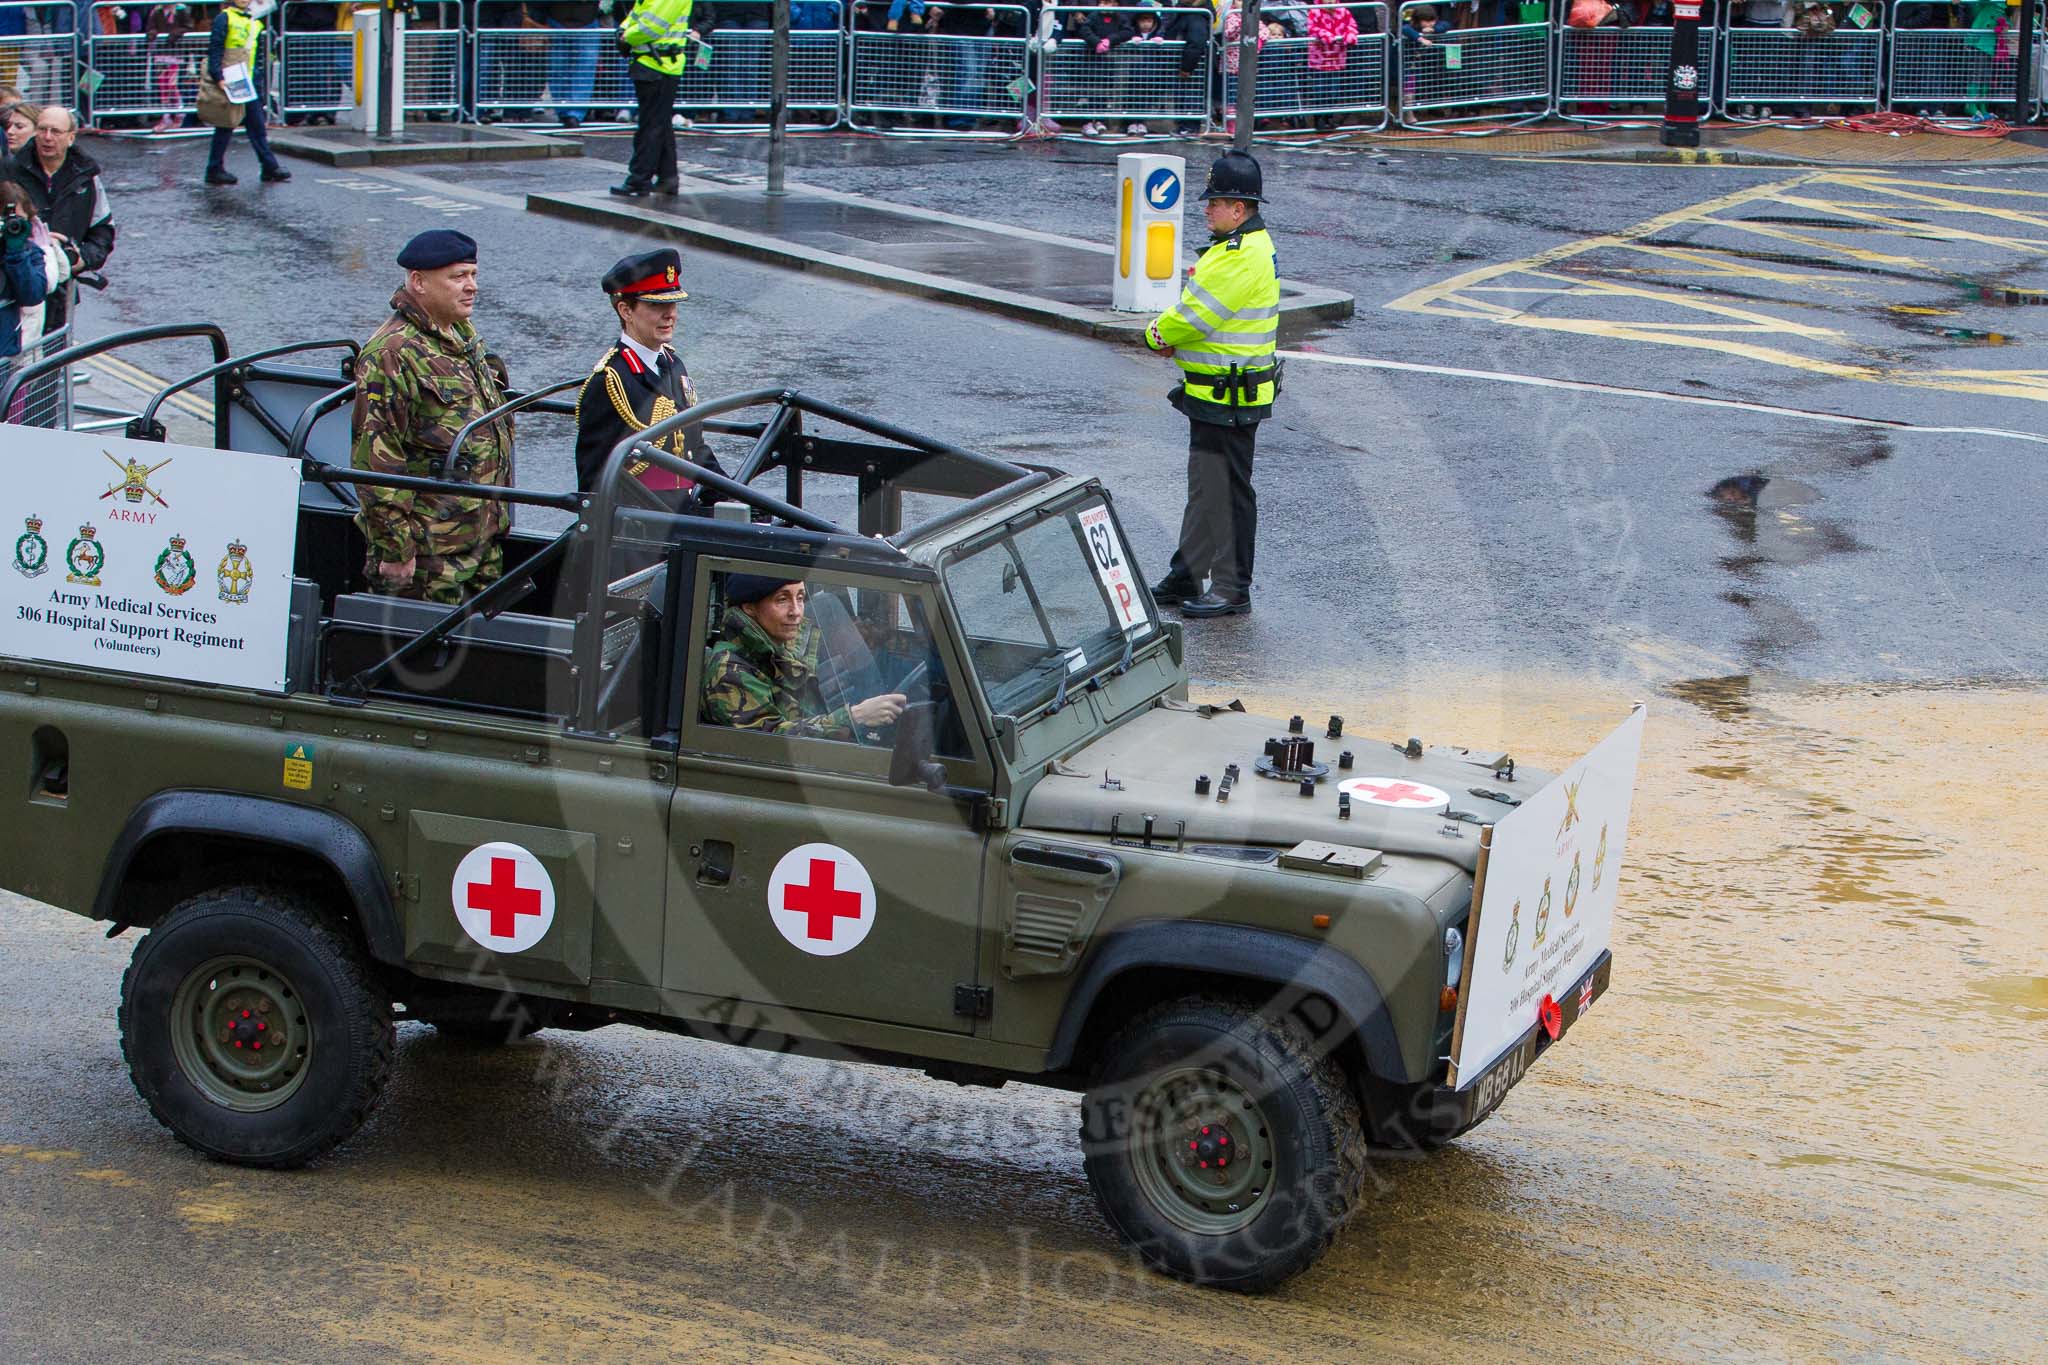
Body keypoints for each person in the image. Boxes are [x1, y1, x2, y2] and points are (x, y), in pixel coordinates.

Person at [1144, 151, 1279, 620]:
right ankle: (1188, 571)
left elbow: (1194, 317)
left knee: (1228, 492)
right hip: (1215, 393)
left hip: (1230, 396)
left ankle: (1232, 586)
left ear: (1238, 209)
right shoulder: (1237, 249)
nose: (1206, 209)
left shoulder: (1239, 257)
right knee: (1206, 487)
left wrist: (1156, 335)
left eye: (1214, 202)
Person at [351, 230, 516, 605]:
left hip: (479, 538)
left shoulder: (460, 334)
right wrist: (396, 549)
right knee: (423, 658)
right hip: (429, 554)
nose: (471, 286)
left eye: (473, 275)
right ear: (419, 282)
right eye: (458, 277)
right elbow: (377, 461)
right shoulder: (393, 352)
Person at [573, 246, 728, 504]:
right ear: (626, 311)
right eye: (656, 305)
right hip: (641, 526)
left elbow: (695, 449)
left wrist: (733, 499)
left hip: (683, 514)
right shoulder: (611, 381)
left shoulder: (672, 364)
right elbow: (595, 482)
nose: (670, 314)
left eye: (673, 303)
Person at [701, 573, 909, 738]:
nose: (796, 611)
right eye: (782, 600)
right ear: (749, 607)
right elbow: (772, 742)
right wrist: (855, 716)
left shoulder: (783, 640)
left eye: (800, 598)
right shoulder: (730, 673)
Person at [5, 105, 113, 334]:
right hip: (16, 287)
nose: (47, 137)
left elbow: (102, 230)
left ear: (71, 137)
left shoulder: (87, 178)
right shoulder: (9, 172)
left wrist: (82, 259)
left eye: (56, 131)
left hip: (61, 290)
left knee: (55, 360)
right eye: (42, 129)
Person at [612, 0, 698, 196]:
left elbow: (653, 25)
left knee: (651, 126)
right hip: (652, 61)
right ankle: (668, 179)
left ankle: (639, 180)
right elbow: (637, 14)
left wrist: (626, 36)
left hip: (660, 64)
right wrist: (623, 31)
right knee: (660, 124)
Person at [202, 0, 289, 185]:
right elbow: (215, 49)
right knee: (226, 125)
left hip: (247, 80)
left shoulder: (253, 19)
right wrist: (218, 77)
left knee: (256, 126)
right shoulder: (224, 18)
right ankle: (215, 168)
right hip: (231, 78)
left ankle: (268, 166)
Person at [0, 181, 50, 375]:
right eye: (5, 218)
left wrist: (16, 254)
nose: (13, 225)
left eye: (18, 219)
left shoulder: (30, 253)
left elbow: (33, 295)